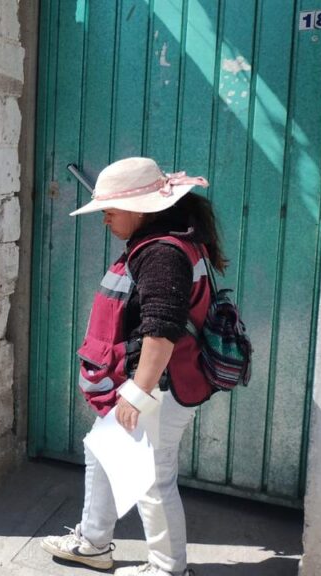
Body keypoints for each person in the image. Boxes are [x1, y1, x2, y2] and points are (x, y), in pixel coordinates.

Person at [39, 157, 226, 576]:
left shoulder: (162, 253)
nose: (104, 218)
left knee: (152, 478)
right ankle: (92, 543)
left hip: (158, 386)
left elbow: (162, 333)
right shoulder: (163, 241)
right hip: (147, 382)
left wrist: (137, 395)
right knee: (101, 449)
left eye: (110, 210)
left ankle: (167, 568)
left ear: (140, 210)